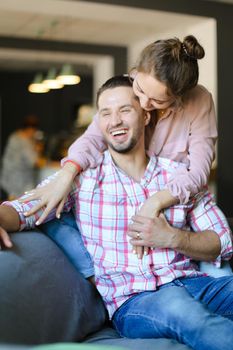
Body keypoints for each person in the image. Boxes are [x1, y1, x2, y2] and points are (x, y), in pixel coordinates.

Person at [1, 76, 233, 350]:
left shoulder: (178, 177)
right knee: (181, 309)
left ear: (146, 115)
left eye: (125, 110)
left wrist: (172, 238)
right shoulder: (82, 181)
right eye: (106, 113)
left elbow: (222, 241)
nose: (115, 121)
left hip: (195, 284)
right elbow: (21, 209)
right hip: (135, 301)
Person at [1, 114, 45, 200]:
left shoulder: (14, 136)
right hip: (19, 182)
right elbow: (35, 162)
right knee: (21, 205)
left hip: (8, 179)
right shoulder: (25, 142)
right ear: (32, 129)